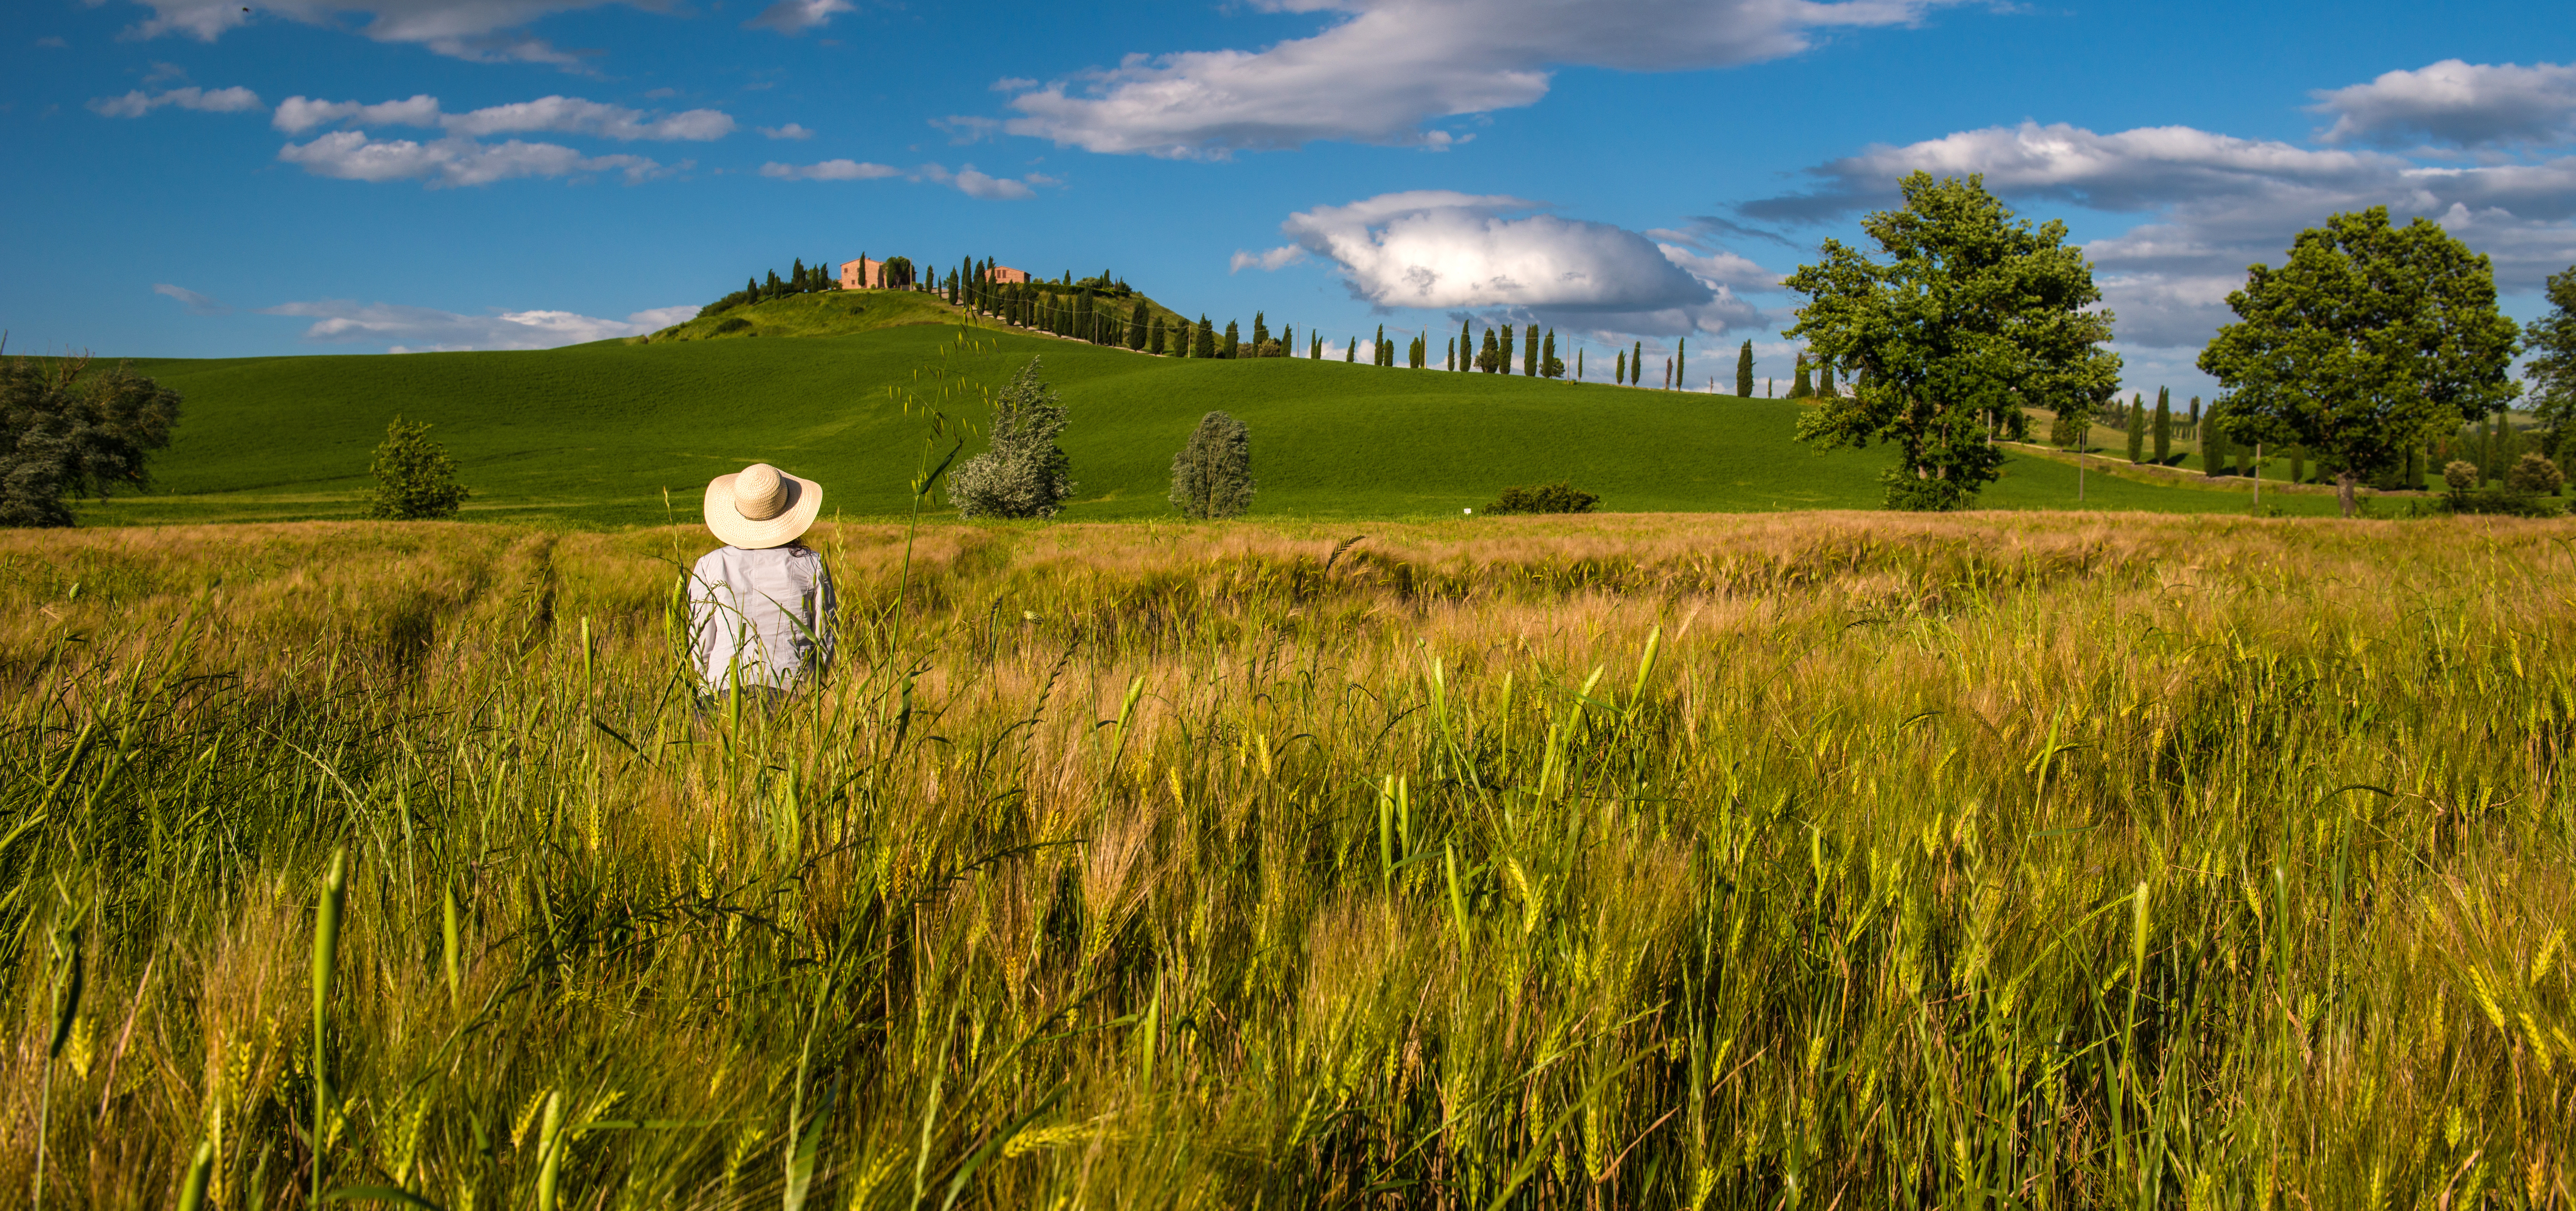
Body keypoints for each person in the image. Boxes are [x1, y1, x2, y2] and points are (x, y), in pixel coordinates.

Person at [690, 462, 835, 699]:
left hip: (722, 688)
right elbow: (826, 637)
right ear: (787, 510)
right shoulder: (811, 563)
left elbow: (700, 644)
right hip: (791, 687)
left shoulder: (709, 565)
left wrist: (706, 685)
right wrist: (815, 682)